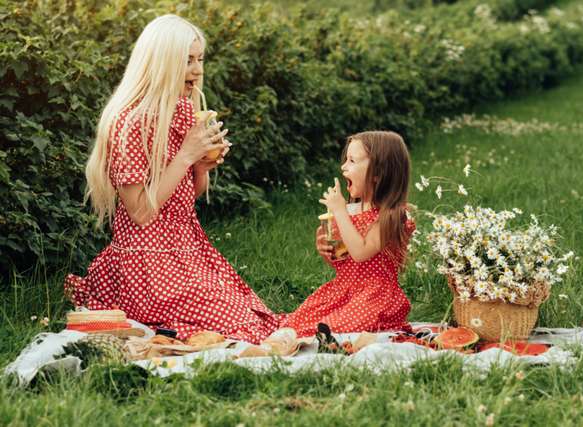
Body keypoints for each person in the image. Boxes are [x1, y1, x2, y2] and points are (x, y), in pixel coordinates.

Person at [64, 15, 279, 343]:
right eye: (187, 61)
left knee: (253, 314)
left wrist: (202, 166)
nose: (197, 70)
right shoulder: (130, 123)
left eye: (200, 59)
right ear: (161, 64)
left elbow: (187, 195)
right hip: (148, 265)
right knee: (238, 326)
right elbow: (140, 212)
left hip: (187, 251)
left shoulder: (182, 112)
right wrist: (186, 156)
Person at [281, 131, 415, 337]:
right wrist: (328, 251)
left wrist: (340, 211)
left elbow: (361, 253)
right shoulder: (352, 212)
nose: (343, 166)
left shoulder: (393, 215)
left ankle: (333, 332)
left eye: (352, 161)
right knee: (298, 323)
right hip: (343, 291)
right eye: (345, 160)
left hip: (375, 296)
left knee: (337, 325)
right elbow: (348, 259)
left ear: (378, 172)